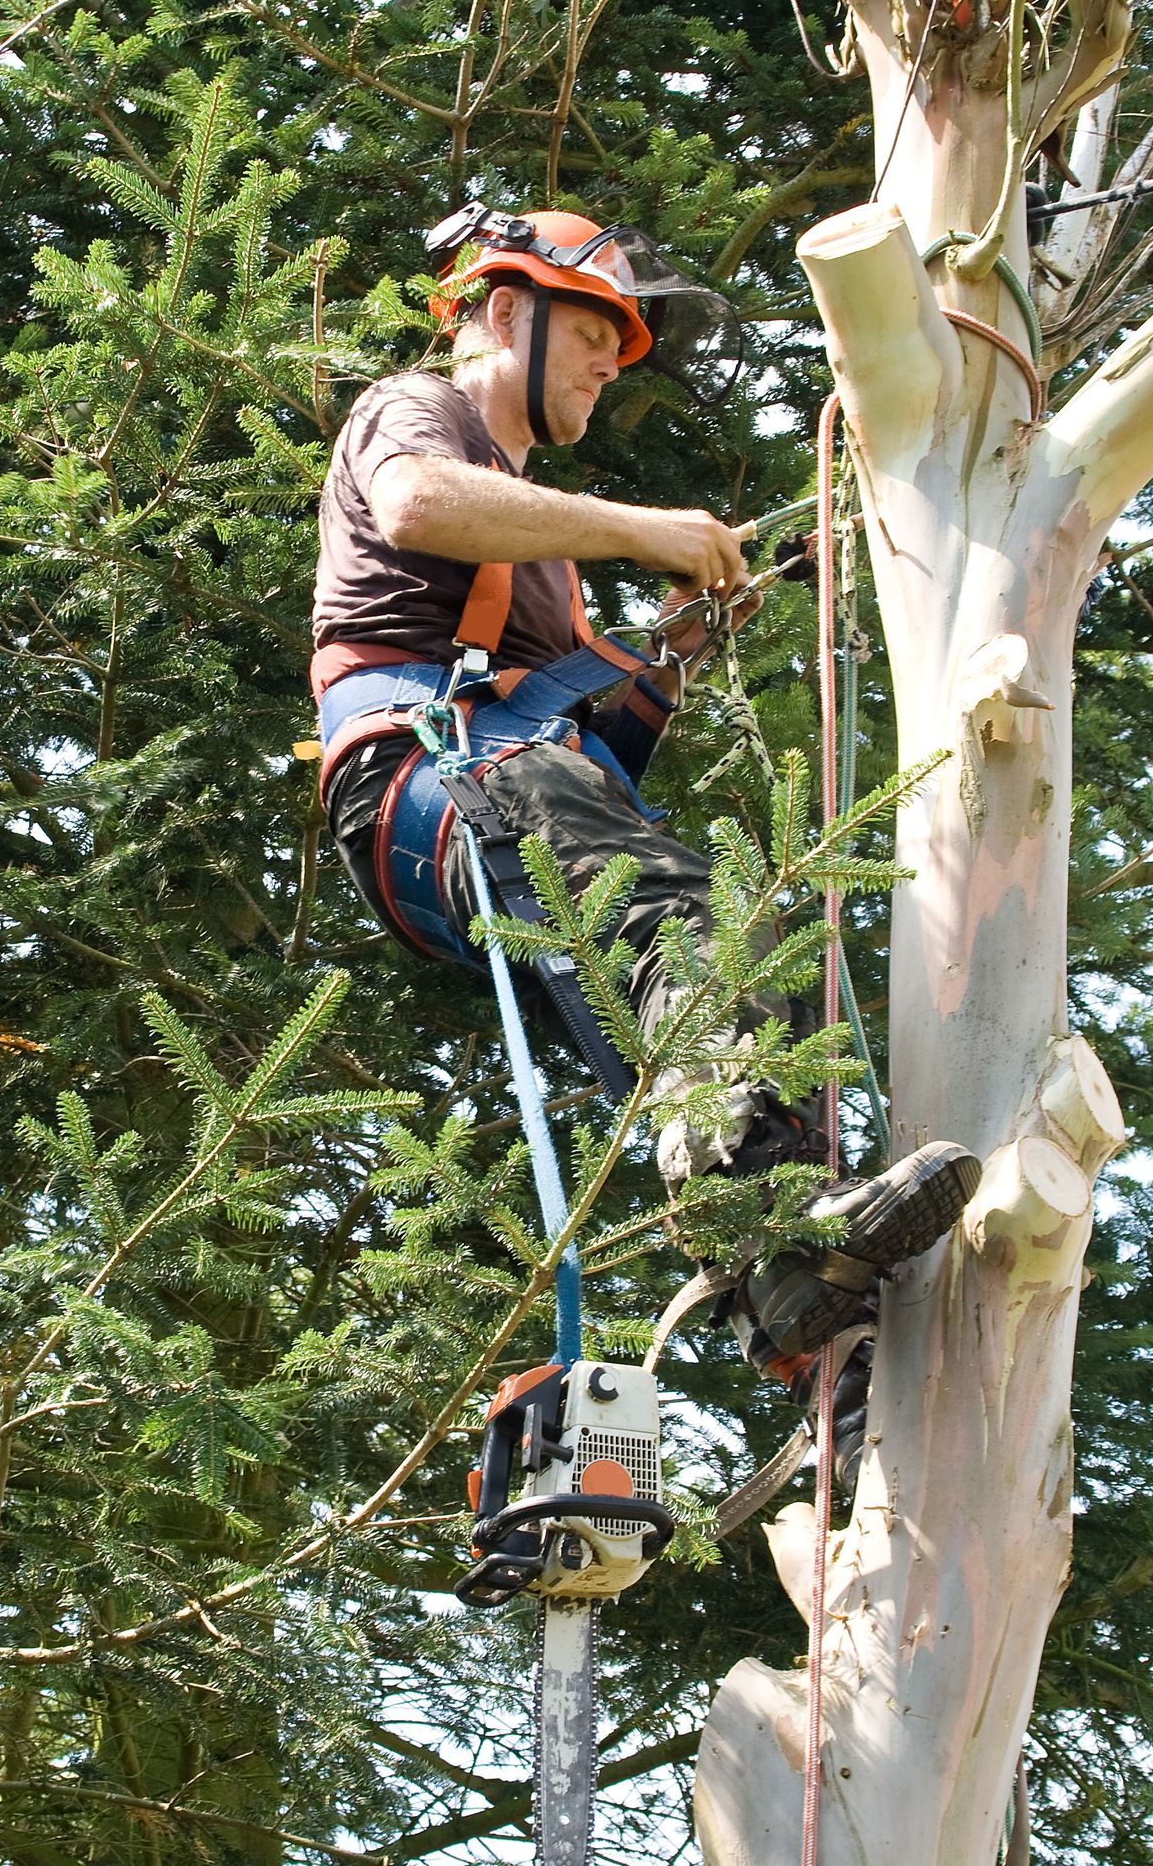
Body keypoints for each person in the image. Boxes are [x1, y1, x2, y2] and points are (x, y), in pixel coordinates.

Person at [310, 205, 978, 1493]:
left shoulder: (535, 563)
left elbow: (590, 754)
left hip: (501, 776)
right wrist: (637, 526)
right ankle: (771, 1215)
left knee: (722, 933)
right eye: (601, 331)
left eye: (623, 346)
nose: (613, 366)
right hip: (430, 772)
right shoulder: (419, 414)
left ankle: (811, 1319)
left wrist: (664, 652)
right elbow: (412, 506)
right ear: (506, 311)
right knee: (671, 915)